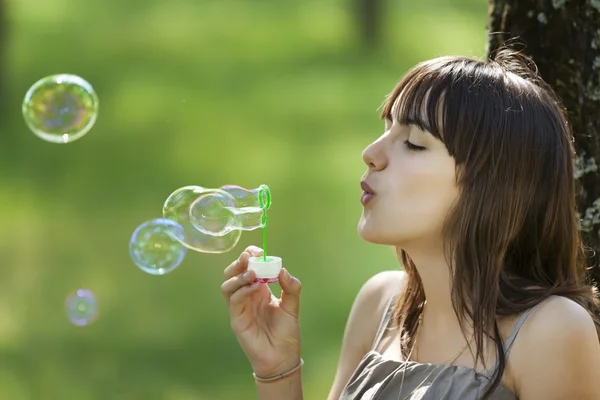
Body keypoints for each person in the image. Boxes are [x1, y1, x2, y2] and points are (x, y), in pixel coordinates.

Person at [220, 49, 600, 400]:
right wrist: (277, 370)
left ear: (494, 187)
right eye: (387, 128)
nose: (371, 154)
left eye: (414, 143)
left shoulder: (551, 330)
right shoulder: (380, 305)